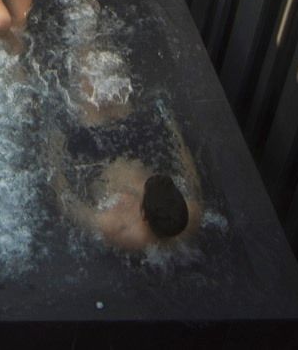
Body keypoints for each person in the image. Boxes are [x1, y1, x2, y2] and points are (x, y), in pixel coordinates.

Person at [46, 101, 205, 253]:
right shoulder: (191, 215)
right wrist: (174, 129)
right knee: (118, 101)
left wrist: (53, 156)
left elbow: (70, 207)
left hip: (98, 157)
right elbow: (190, 174)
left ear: (143, 215)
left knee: (92, 100)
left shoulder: (119, 226)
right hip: (132, 149)